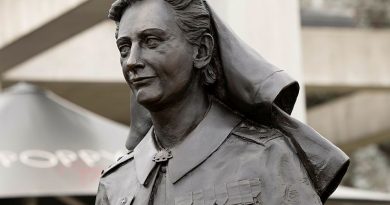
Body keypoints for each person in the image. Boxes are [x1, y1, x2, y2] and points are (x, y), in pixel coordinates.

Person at [96, 0, 349, 204]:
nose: (132, 61)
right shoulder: (116, 181)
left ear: (202, 51)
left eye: (152, 42)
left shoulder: (267, 158)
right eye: (124, 48)